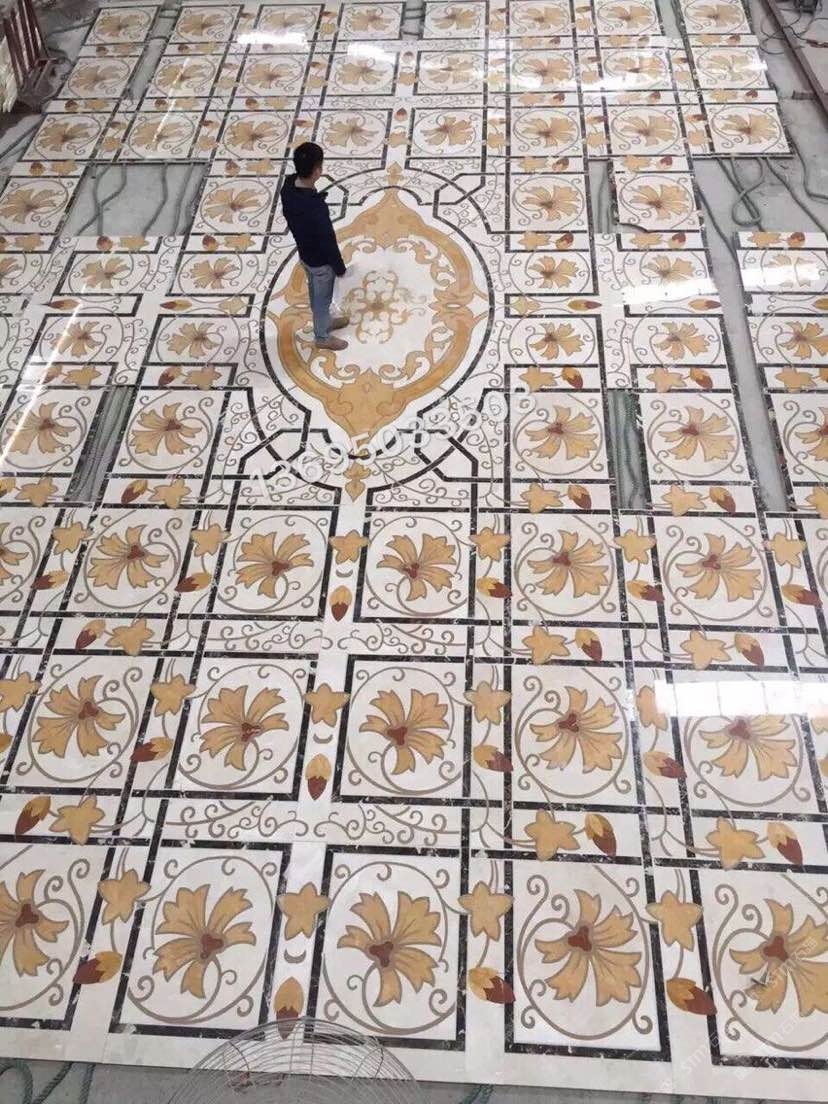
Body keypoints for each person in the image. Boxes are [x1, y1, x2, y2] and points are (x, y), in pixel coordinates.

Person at [280, 142, 350, 351]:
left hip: (305, 254)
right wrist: (339, 268)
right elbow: (327, 241)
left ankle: (325, 321)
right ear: (317, 171)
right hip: (320, 262)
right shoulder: (315, 208)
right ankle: (322, 336)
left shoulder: (288, 187)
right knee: (322, 301)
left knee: (315, 293)